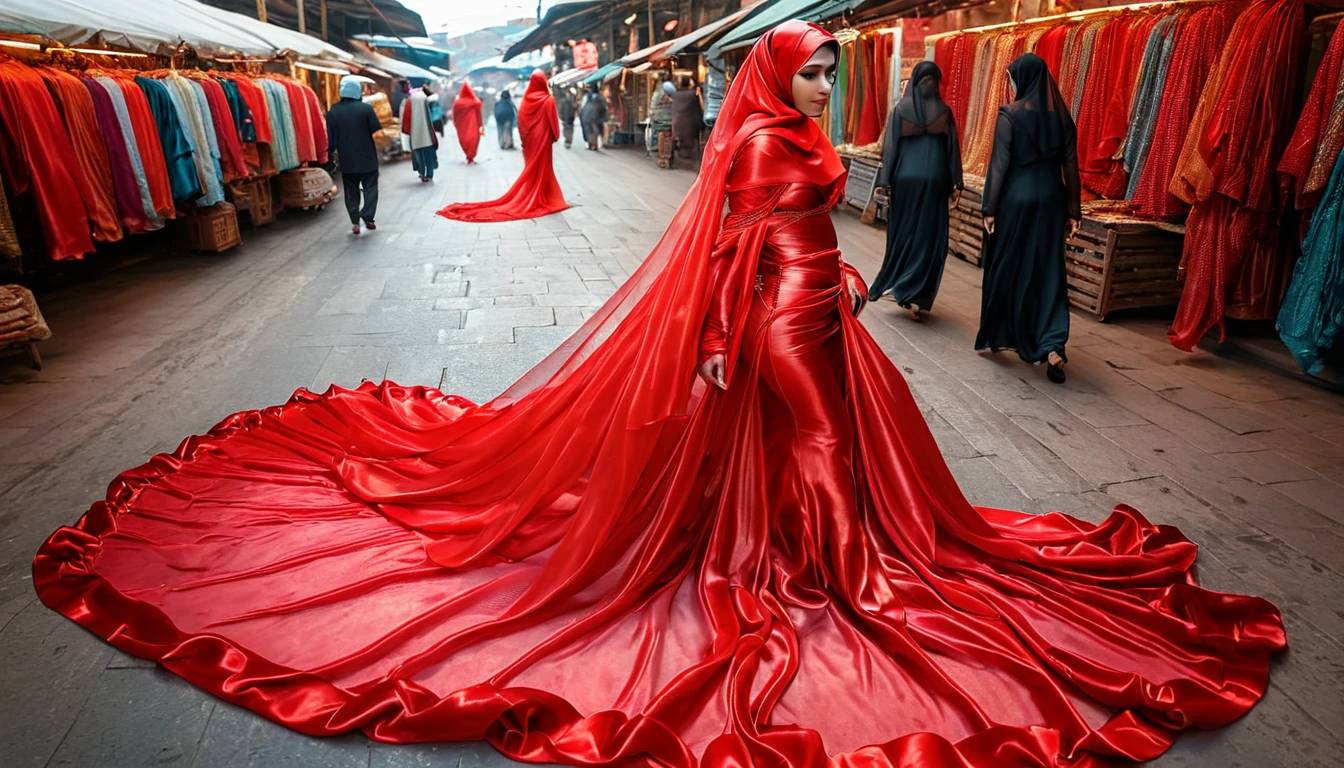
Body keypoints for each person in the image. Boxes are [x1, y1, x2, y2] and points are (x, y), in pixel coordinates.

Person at [33, 22, 1283, 768]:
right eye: (810, 72)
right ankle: (853, 578)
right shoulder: (747, 140)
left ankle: (839, 560)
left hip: (822, 314)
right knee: (819, 455)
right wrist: (719, 340)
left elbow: (803, 230)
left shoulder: (797, 138)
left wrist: (842, 280)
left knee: (824, 459)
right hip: (774, 329)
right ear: (778, 74)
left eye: (828, 73)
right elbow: (727, 250)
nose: (819, 87)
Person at [977, 53, 1081, 384]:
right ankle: (1052, 345)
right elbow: (1070, 167)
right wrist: (1073, 210)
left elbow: (999, 165)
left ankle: (1009, 331)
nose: (1011, 84)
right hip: (1052, 200)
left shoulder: (1009, 115)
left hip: (1016, 201)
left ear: (1023, 80)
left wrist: (989, 208)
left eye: (1012, 78)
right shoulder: (1062, 118)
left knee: (1010, 264)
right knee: (1049, 268)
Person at [870, 61, 963, 319]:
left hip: (905, 180)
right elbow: (952, 150)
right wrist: (957, 183)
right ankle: (917, 293)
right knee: (930, 237)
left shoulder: (901, 109)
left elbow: (891, 148)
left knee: (905, 233)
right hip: (935, 180)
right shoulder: (943, 112)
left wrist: (885, 181)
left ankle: (903, 286)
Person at [438, 69, 566, 222]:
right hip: (543, 140)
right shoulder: (548, 100)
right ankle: (544, 195)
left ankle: (538, 193)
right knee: (544, 167)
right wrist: (554, 137)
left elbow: (521, 121)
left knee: (532, 167)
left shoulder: (526, 99)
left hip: (531, 141)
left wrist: (525, 139)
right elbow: (553, 123)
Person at [325, 75, 382, 234]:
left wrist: (329, 155)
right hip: (368, 158)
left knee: (351, 191)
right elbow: (376, 131)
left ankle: (355, 221)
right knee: (371, 189)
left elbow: (331, 142)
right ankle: (368, 216)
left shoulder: (333, 112)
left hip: (347, 160)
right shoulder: (366, 109)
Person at [401, 84, 439, 182]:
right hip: (427, 132)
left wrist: (406, 131)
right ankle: (430, 175)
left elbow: (406, 119)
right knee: (428, 155)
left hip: (415, 133)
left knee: (418, 155)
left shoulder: (409, 102)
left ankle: (422, 173)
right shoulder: (426, 99)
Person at [670, 76, 703, 161]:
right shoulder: (692, 94)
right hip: (689, 122)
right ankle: (694, 157)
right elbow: (699, 107)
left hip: (676, 121)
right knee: (695, 139)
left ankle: (674, 157)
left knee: (676, 139)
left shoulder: (676, 94)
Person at [451, 80, 484, 164]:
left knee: (464, 140)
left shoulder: (457, 103)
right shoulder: (476, 102)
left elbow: (454, 114)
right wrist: (480, 125)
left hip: (462, 126)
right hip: (474, 125)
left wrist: (456, 123)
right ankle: (471, 157)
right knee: (473, 140)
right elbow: (479, 115)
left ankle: (468, 155)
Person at [646, 76, 674, 153]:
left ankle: (660, 152)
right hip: (669, 118)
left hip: (659, 119)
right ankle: (668, 153)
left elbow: (653, 106)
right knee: (669, 135)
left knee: (661, 134)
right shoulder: (671, 93)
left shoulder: (657, 93)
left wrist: (652, 114)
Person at [579, 82, 608, 150]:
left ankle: (592, 144)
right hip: (595, 117)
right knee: (594, 131)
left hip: (588, 117)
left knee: (590, 131)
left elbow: (582, 108)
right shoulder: (600, 98)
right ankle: (594, 144)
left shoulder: (587, 97)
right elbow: (603, 108)